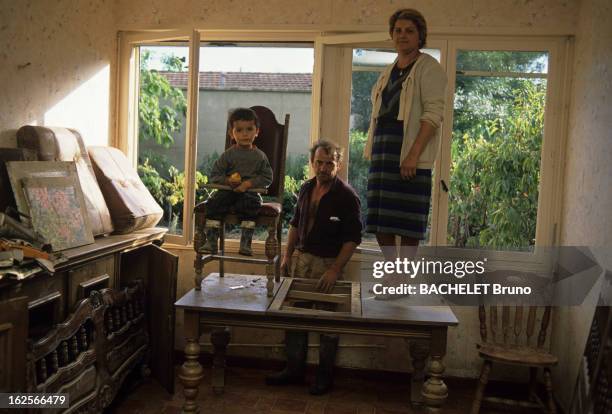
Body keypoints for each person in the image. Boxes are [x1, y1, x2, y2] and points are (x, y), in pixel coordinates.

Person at [266, 140, 362, 395]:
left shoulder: (347, 196)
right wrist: (287, 256)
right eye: (319, 162)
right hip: (302, 261)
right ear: (313, 163)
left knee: (327, 322)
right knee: (295, 316)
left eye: (329, 163)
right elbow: (295, 224)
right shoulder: (307, 188)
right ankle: (294, 370)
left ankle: (324, 376)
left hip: (328, 265)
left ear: (338, 165)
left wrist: (335, 270)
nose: (323, 168)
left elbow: (353, 239)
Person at [364, 8, 447, 261]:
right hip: (383, 152)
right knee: (380, 221)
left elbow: (433, 116)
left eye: (409, 31)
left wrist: (413, 155)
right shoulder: (388, 71)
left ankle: (402, 277)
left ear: (420, 35)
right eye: (398, 31)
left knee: (408, 222)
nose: (402, 35)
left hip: (409, 152)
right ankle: (393, 272)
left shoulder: (429, 68)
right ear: (392, 35)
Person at [202, 107, 273, 256]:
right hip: (228, 191)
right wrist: (228, 181)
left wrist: (248, 184)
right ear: (231, 134)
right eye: (239, 130)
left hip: (250, 193)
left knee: (251, 205)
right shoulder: (228, 155)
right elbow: (215, 175)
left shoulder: (260, 156)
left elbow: (267, 177)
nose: (245, 134)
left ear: (257, 131)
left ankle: (245, 243)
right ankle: (212, 241)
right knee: (214, 203)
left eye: (249, 129)